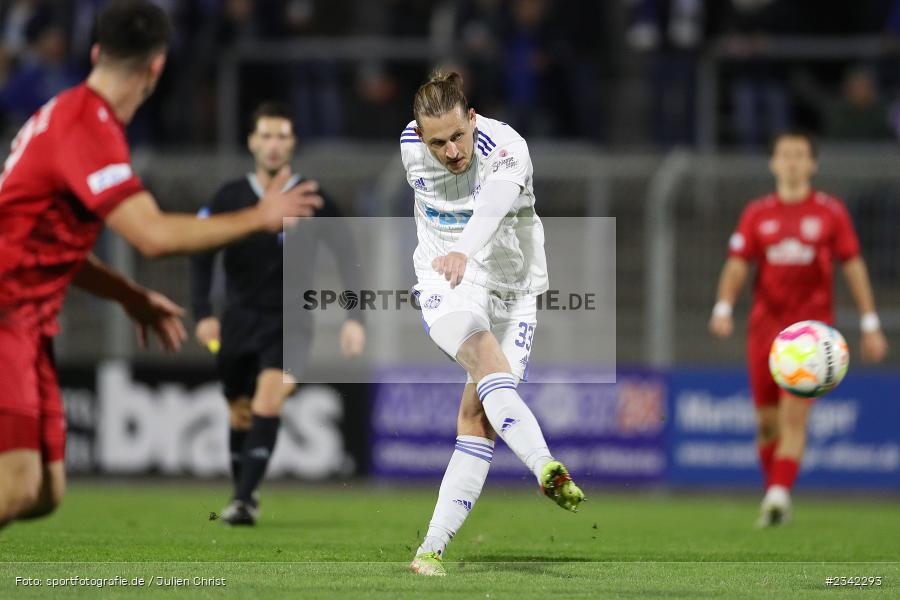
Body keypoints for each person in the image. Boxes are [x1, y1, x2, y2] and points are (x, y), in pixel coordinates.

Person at [0, 0, 321, 528]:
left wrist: (129, 296)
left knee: (43, 493)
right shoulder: (86, 125)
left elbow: (46, 244)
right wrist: (260, 215)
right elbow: (153, 236)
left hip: (29, 323)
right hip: (8, 315)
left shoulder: (70, 113)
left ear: (97, 51)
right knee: (16, 486)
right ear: (157, 66)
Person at [401, 71, 585, 577]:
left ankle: (429, 552)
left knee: (478, 419)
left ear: (473, 118)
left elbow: (493, 204)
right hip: (445, 280)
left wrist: (464, 246)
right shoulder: (410, 147)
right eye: (437, 142)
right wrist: (454, 255)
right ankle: (545, 465)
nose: (451, 151)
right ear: (420, 137)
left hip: (516, 291)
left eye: (458, 136)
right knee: (483, 358)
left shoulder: (507, 146)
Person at [191, 101, 365, 526]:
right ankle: (242, 494)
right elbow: (201, 251)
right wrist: (202, 312)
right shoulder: (231, 197)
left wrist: (355, 318)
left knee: (269, 397)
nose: (273, 145)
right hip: (238, 320)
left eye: (281, 136)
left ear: (293, 142)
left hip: (292, 324)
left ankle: (245, 500)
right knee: (240, 412)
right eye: (265, 135)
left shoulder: (313, 196)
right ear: (252, 141)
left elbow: (348, 256)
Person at [709, 131, 888, 527]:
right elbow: (738, 263)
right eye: (784, 155)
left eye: (799, 155)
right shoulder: (757, 213)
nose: (791, 161)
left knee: (794, 417)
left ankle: (777, 495)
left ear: (812, 164)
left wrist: (870, 322)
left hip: (811, 335)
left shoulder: (829, 212)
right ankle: (777, 493)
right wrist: (724, 307)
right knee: (765, 424)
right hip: (764, 331)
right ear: (773, 163)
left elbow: (853, 265)